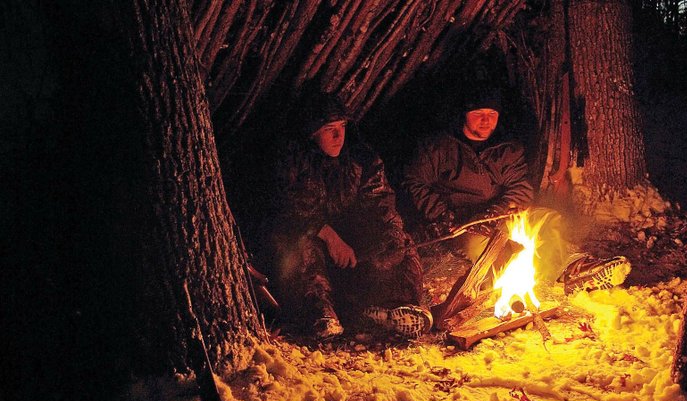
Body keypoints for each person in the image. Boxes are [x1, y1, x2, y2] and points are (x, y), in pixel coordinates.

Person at [402, 83, 631, 294]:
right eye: (478, 114)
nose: (486, 121)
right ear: (465, 115)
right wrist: (443, 215)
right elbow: (415, 182)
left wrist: (497, 212)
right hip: (464, 222)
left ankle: (576, 268)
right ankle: (526, 278)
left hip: (499, 215)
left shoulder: (505, 148)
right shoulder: (439, 147)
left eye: (492, 115)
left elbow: (520, 188)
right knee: (492, 248)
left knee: (548, 218)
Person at [256, 91, 432, 339]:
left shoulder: (361, 159)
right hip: (310, 251)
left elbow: (380, 203)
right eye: (330, 129)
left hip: (352, 252)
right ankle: (320, 314)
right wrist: (328, 235)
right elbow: (285, 213)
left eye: (342, 127)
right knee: (301, 247)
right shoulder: (292, 161)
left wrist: (388, 236)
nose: (339, 136)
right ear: (313, 132)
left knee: (397, 241)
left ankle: (395, 309)